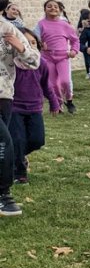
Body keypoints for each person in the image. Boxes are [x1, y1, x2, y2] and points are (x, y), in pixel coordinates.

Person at [0, 19, 40, 215]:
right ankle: (3, 195)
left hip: (4, 96)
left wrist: (21, 49)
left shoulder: (7, 28)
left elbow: (34, 61)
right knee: (3, 141)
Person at [11, 29, 60, 184]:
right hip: (13, 108)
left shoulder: (41, 64)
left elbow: (46, 85)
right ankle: (19, 173)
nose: (30, 46)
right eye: (25, 42)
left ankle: (14, 156)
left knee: (37, 140)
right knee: (18, 140)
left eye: (33, 43)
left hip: (34, 108)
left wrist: (54, 101)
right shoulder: (10, 65)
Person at [34, 0, 80, 114]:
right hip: (47, 57)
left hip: (63, 57)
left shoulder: (65, 25)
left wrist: (74, 51)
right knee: (53, 84)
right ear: (45, 9)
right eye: (49, 6)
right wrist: (40, 44)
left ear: (60, 10)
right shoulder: (41, 24)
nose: (53, 8)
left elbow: (75, 40)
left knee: (65, 81)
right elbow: (34, 39)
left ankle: (69, 100)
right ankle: (58, 104)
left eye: (56, 6)